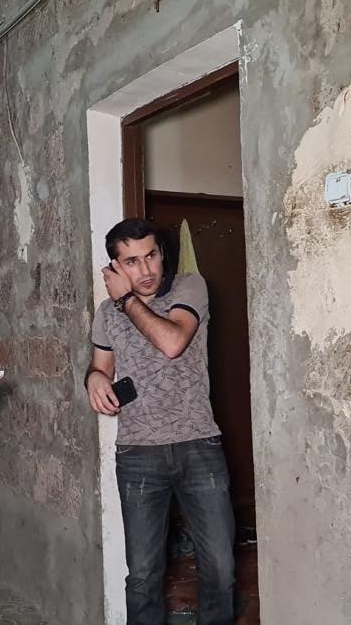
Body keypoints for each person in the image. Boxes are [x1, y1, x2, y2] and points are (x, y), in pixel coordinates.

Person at [86, 218, 236, 625]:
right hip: (138, 453)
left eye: (151, 255)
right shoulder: (106, 314)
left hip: (199, 444)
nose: (146, 269)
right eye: (131, 261)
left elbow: (172, 342)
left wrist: (126, 299)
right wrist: (95, 379)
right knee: (143, 576)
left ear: (162, 253)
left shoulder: (189, 288)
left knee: (220, 569)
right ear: (115, 267)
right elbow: (100, 367)